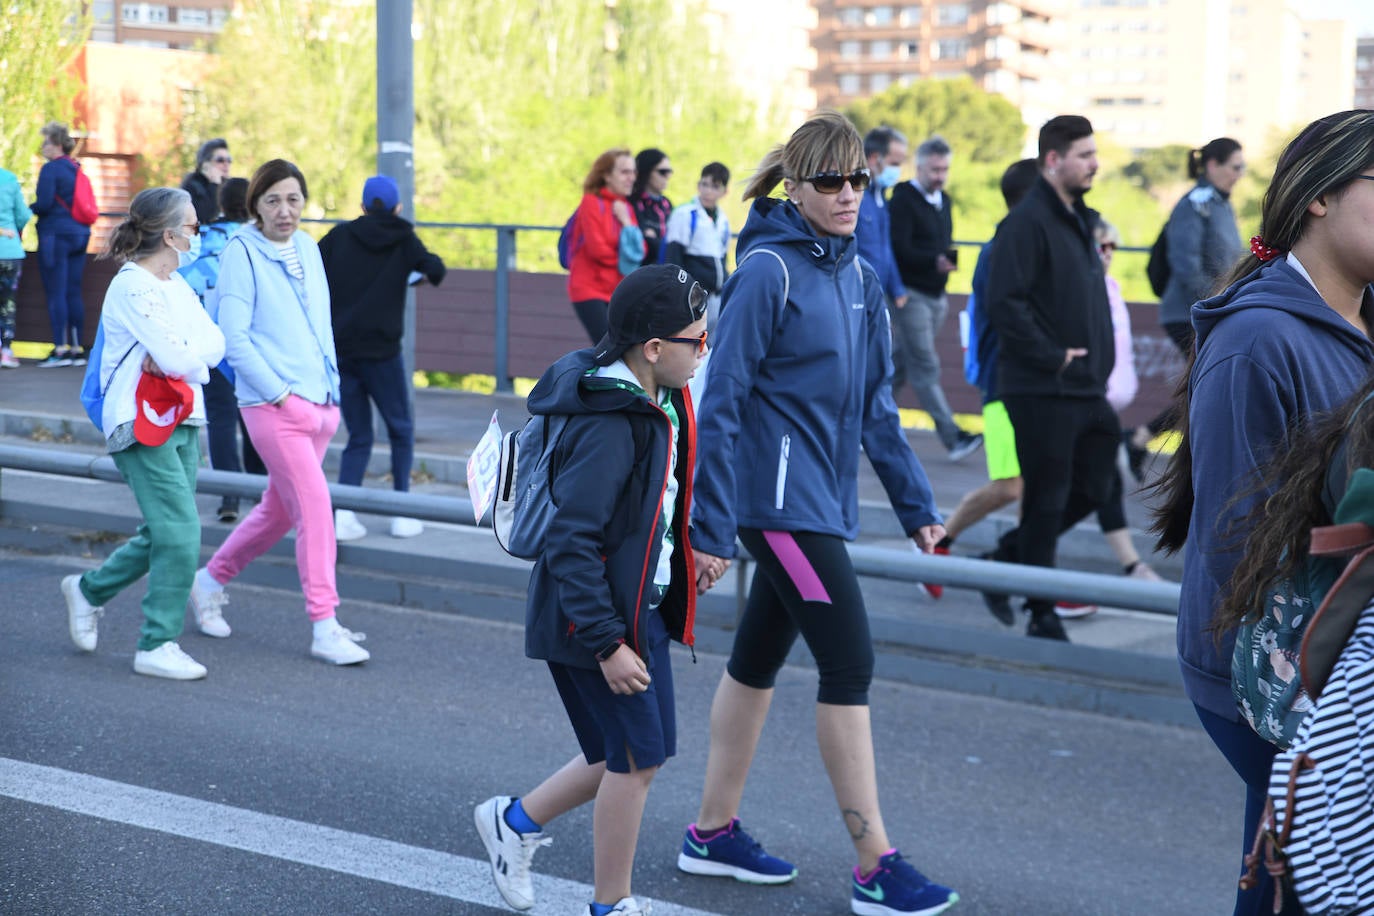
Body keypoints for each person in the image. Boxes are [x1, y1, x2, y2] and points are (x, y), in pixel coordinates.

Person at [681, 111, 958, 916]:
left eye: (858, 180)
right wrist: (710, 526)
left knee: (759, 658)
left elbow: (877, 410)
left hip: (822, 503)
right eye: (829, 181)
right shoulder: (767, 270)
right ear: (795, 187)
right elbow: (722, 401)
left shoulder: (862, 281)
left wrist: (919, 510)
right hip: (777, 510)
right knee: (849, 661)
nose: (847, 194)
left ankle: (709, 832)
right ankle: (876, 863)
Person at [1152, 110, 1374, 916]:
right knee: (1312, 871)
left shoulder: (1362, 317)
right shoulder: (1258, 341)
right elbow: (1235, 544)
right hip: (1274, 670)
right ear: (1319, 197)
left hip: (1340, 665)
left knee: (1286, 873)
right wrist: (1310, 699)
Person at [473, 265, 707, 916]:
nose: (704, 352)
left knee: (628, 754)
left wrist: (687, 560)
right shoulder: (612, 423)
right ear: (655, 349)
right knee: (634, 763)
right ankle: (611, 905)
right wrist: (607, 643)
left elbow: (650, 511)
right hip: (592, 620)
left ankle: (514, 822)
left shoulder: (659, 400)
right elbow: (572, 540)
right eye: (699, 341)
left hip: (636, 609)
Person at [188, 159, 370, 666]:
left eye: (293, 199)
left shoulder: (309, 248)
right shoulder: (240, 254)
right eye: (273, 200)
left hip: (319, 403)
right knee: (315, 510)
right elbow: (234, 339)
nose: (284, 210)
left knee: (277, 510)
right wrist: (281, 396)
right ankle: (324, 623)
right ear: (256, 206)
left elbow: (320, 323)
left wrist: (329, 392)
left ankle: (209, 581)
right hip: (273, 407)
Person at [60, 187, 225, 680]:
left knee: (164, 531)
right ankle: (156, 643)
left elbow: (213, 344)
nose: (200, 233)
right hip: (138, 420)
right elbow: (182, 358)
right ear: (171, 234)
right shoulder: (132, 287)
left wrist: (189, 357)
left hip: (183, 417)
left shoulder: (177, 286)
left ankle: (88, 590)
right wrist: (190, 358)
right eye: (194, 227)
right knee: (181, 532)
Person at [981, 115, 1119, 642]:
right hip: (1041, 387)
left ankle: (1006, 559)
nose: (1094, 163)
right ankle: (1041, 611)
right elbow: (1004, 304)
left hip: (1085, 388)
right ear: (1053, 160)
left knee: (1098, 483)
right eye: (1084, 155)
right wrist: (1053, 356)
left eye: (1094, 153)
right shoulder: (1025, 222)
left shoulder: (1078, 219)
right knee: (1048, 496)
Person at [320, 174, 446, 541]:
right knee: (400, 430)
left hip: (343, 350)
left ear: (362, 206)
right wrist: (411, 275)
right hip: (383, 353)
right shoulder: (403, 238)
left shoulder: (339, 236)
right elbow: (436, 269)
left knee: (359, 434)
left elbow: (311, 268)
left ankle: (344, 513)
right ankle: (402, 512)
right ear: (397, 207)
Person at [1124, 138, 1244, 480]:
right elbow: (1186, 264)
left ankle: (1141, 437)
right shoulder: (1195, 204)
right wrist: (1215, 306)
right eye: (1235, 166)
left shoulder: (1219, 204)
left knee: (1205, 387)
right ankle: (1148, 440)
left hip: (1209, 309)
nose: (1240, 174)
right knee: (1208, 387)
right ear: (1212, 165)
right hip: (1191, 312)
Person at [889, 135, 982, 463]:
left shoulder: (945, 201)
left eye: (945, 169)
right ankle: (952, 436)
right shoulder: (902, 199)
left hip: (936, 295)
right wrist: (932, 261)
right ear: (920, 166)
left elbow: (945, 241)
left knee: (899, 365)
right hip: (911, 295)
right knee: (925, 364)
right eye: (935, 169)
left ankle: (861, 424)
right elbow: (898, 248)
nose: (940, 175)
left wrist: (943, 262)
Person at [177, 176, 265, 523]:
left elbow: (184, 281)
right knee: (255, 414)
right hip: (252, 341)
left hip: (210, 340)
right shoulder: (258, 239)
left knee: (221, 419)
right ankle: (262, 490)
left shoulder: (203, 239)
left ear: (221, 202)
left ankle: (230, 495)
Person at [30, 121, 92, 368]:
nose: (42, 147)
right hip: (80, 233)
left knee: (56, 291)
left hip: (55, 235)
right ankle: (76, 349)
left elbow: (44, 204)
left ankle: (60, 348)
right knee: (73, 290)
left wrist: (28, 209)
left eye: (45, 142)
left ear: (55, 144)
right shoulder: (75, 168)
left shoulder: (51, 169)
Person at [568, 148, 644, 345]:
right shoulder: (591, 203)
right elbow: (598, 251)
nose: (632, 178)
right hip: (589, 289)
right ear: (607, 176)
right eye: (624, 172)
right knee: (607, 347)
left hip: (617, 290)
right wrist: (625, 260)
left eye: (633, 172)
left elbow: (639, 250)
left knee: (624, 348)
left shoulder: (626, 207)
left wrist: (626, 221)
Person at [664, 161, 731, 333]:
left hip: (716, 296)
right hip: (694, 295)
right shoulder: (686, 214)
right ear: (698, 185)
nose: (708, 191)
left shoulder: (723, 219)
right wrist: (683, 292)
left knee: (713, 343)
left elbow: (722, 258)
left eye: (715, 186)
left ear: (724, 191)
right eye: (704, 184)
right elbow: (674, 256)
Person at [0, 165, 32, 369]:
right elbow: (23, 215)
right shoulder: (9, 179)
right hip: (10, 252)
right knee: (7, 302)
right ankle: (6, 351)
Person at [629, 148, 673, 265]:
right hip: (640, 271)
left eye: (669, 172)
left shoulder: (667, 204)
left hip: (664, 271)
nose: (667, 176)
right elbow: (640, 243)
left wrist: (653, 238)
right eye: (662, 172)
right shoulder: (633, 202)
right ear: (646, 171)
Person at [181, 139, 232, 225]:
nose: (226, 164)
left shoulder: (229, 186)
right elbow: (206, 216)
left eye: (229, 160)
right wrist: (214, 184)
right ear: (205, 164)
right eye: (220, 160)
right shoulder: (192, 187)